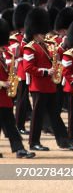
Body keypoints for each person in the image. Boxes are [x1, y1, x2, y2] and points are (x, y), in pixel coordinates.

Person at [23, 7, 73, 152]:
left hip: (50, 86)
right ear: (35, 34)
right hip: (38, 86)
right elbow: (28, 67)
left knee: (55, 114)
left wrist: (65, 45)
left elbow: (58, 54)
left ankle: (64, 141)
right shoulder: (30, 48)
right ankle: (33, 142)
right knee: (37, 116)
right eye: (42, 33)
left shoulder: (48, 45)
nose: (44, 35)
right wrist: (46, 72)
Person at [0, 19, 33, 158]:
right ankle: (19, 149)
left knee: (9, 124)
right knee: (9, 124)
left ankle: (19, 149)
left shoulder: (2, 55)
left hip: (4, 98)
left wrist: (10, 71)